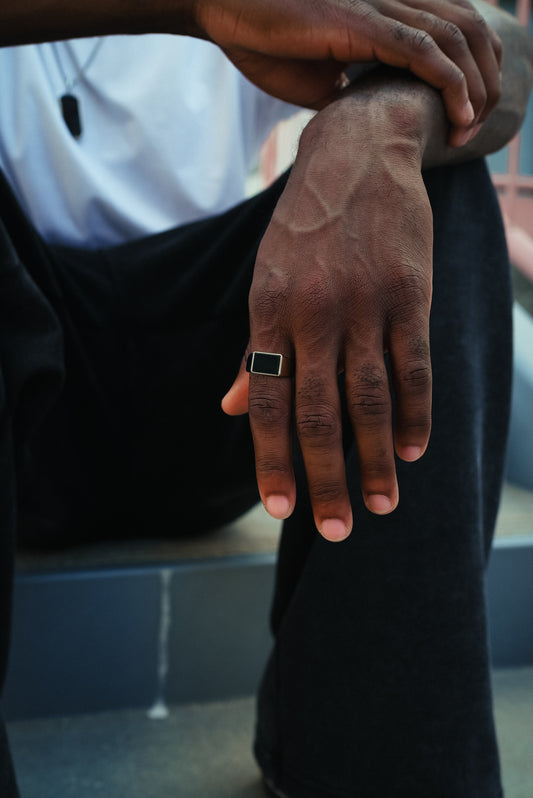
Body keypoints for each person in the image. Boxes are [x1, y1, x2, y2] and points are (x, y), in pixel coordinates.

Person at [0, 1, 531, 796]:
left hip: (235, 397)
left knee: (426, 182)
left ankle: (372, 769)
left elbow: (503, 48)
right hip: (24, 403)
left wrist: (378, 123)